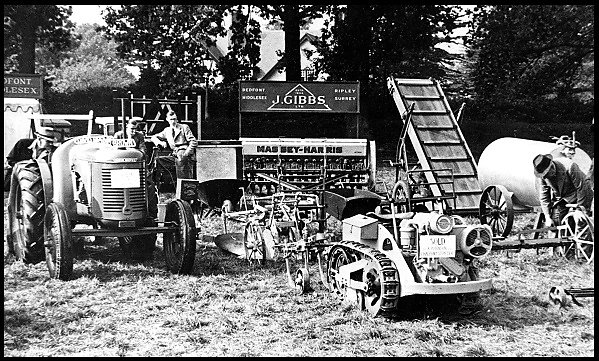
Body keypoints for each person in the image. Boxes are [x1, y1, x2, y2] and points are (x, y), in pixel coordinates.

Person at [533, 153, 594, 255]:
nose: (546, 177)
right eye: (544, 176)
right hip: (562, 198)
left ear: (552, 166)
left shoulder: (569, 166)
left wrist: (580, 209)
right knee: (556, 220)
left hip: (579, 193)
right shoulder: (542, 176)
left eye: (547, 174)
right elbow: (544, 196)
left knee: (581, 221)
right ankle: (560, 252)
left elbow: (582, 188)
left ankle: (583, 254)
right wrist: (547, 217)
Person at [4, 126, 68, 191]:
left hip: (37, 185)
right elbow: (10, 160)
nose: (51, 144)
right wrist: (26, 167)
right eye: (48, 142)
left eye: (52, 142)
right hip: (14, 183)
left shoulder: (54, 152)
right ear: (39, 139)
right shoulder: (22, 144)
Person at [150, 110, 197, 179]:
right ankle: (161, 186)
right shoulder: (167, 130)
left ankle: (182, 186)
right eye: (171, 119)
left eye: (174, 119)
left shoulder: (184, 127)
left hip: (184, 154)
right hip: (175, 155)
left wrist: (186, 153)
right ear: (167, 120)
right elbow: (153, 137)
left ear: (177, 119)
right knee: (158, 160)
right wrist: (160, 142)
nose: (173, 121)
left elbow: (193, 141)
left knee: (183, 174)